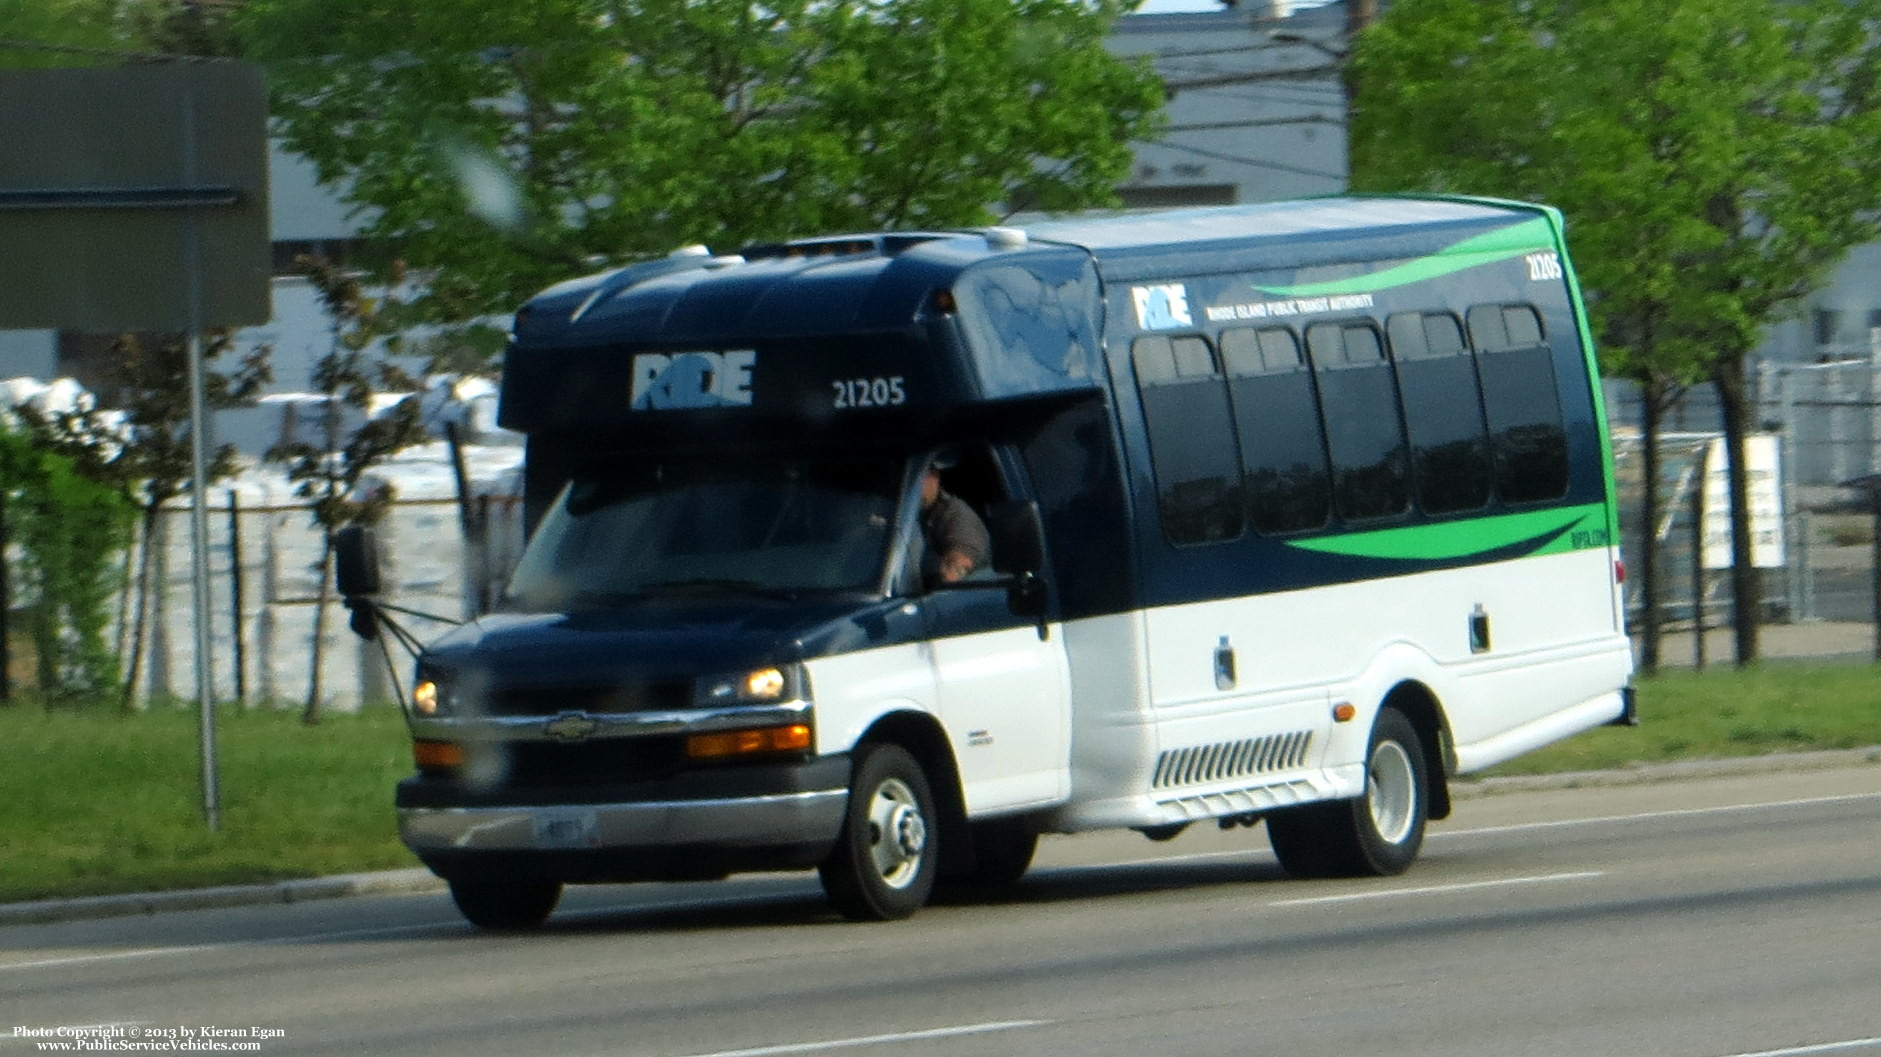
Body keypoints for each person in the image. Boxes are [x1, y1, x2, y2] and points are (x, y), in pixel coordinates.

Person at [919, 463, 990, 585]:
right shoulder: (900, 514)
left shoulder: (955, 515)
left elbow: (961, 560)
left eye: (916, 480)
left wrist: (951, 572)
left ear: (934, 476)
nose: (903, 488)